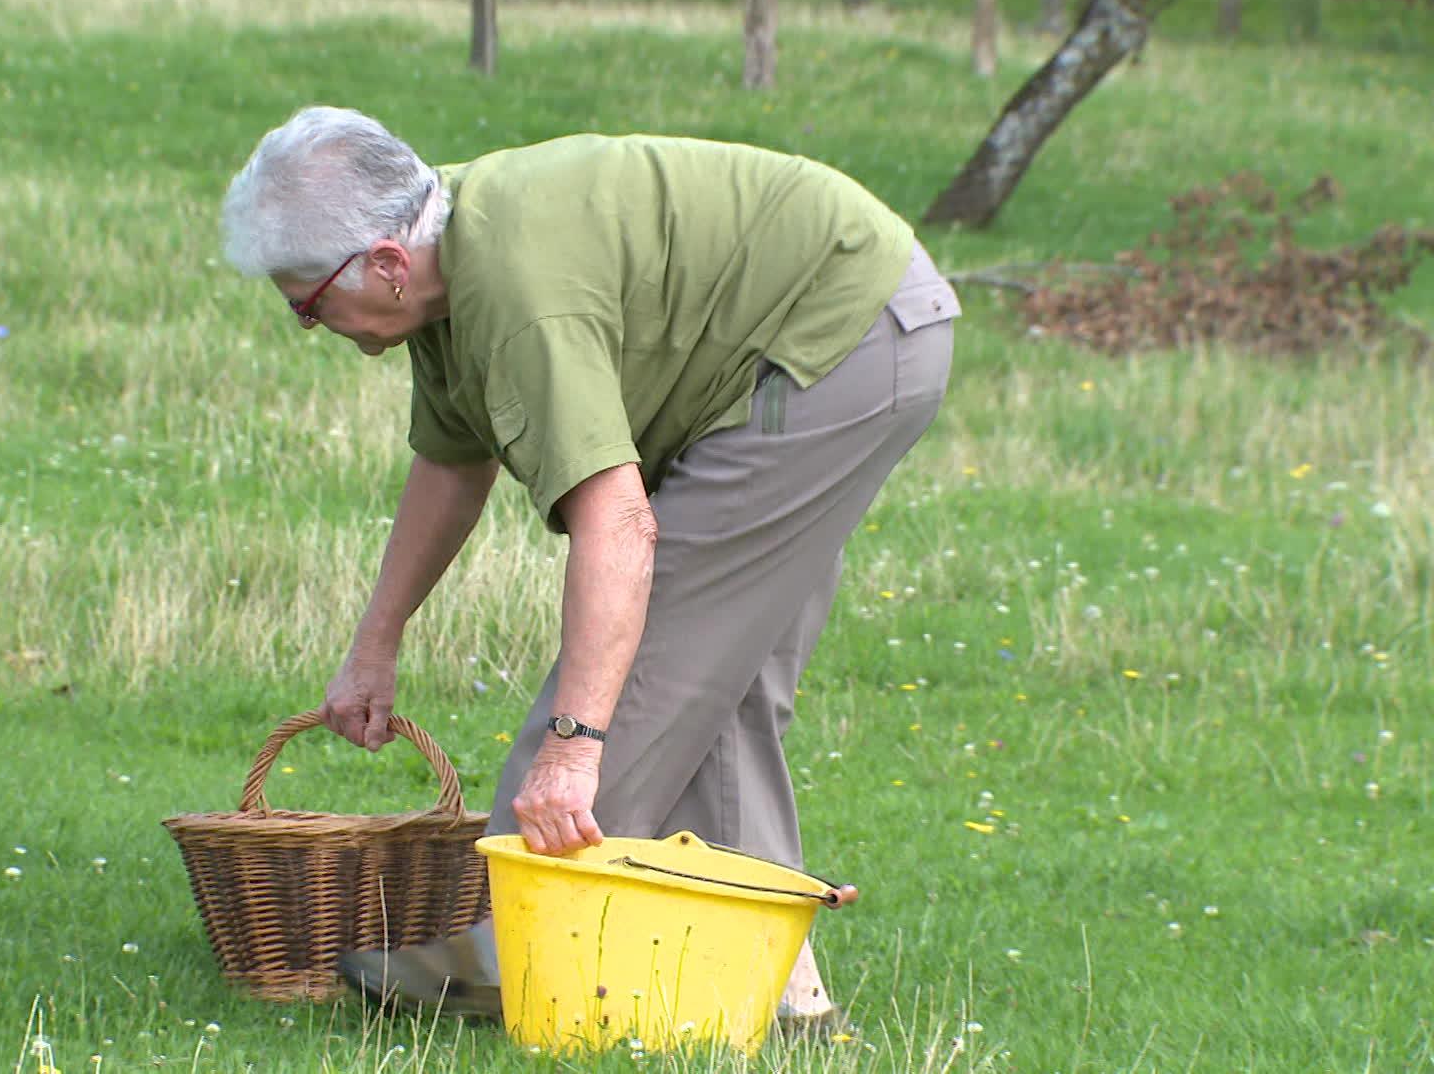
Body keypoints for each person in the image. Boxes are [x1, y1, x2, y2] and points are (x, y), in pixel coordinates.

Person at [220, 106, 958, 1032]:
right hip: (833, 330)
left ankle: (514, 945)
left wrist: (571, 754)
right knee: (718, 679)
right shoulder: (443, 260)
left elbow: (620, 526)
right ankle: (785, 1002)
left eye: (306, 301)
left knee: (655, 663)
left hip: (839, 342)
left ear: (387, 264)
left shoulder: (521, 290)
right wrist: (375, 646)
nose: (305, 323)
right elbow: (452, 462)